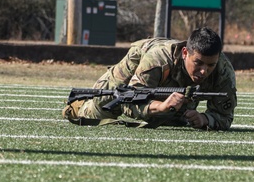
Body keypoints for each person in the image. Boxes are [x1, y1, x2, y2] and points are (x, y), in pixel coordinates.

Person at [64, 27, 237, 129]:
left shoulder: (223, 70)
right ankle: (79, 105)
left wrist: (205, 119)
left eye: (210, 65)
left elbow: (225, 116)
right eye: (198, 63)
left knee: (174, 119)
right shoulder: (157, 60)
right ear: (185, 53)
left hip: (173, 86)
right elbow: (128, 103)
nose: (203, 71)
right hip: (134, 70)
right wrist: (161, 106)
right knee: (103, 106)